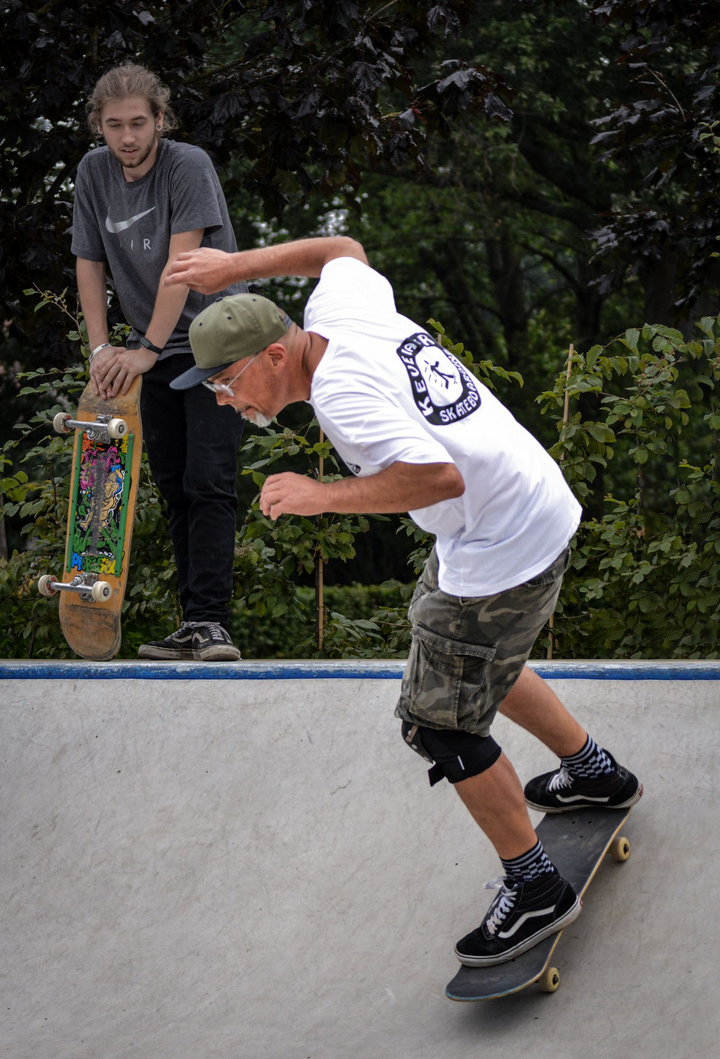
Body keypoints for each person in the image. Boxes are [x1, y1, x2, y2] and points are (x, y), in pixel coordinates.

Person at [164, 236, 643, 965]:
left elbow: (438, 478)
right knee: (472, 658)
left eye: (227, 383)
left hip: (500, 541)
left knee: (436, 723)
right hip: (525, 504)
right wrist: (233, 270)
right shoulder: (339, 308)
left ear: (272, 357)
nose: (227, 403)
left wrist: (323, 496)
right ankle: (593, 771)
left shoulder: (342, 397)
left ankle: (535, 886)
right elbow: (341, 249)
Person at [71, 63, 245, 661]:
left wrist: (142, 350)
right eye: (114, 125)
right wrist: (100, 351)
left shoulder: (186, 165)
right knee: (173, 487)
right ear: (99, 125)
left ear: (160, 120)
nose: (127, 137)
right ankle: (192, 623)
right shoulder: (93, 173)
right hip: (156, 347)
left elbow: (183, 266)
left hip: (216, 341)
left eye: (139, 123)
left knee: (209, 481)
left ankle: (212, 622)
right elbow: (89, 264)